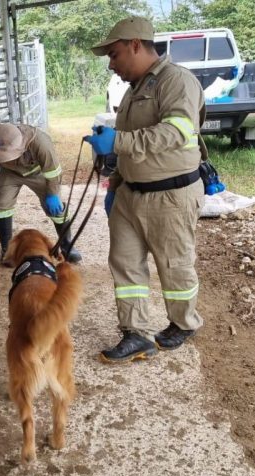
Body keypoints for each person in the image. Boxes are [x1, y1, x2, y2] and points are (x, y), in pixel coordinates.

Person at [85, 16, 206, 363]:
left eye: (115, 54)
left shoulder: (177, 81)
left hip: (170, 194)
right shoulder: (135, 88)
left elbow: (177, 133)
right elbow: (130, 148)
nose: (111, 63)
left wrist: (117, 141)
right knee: (124, 264)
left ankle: (183, 322)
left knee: (174, 264)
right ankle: (135, 333)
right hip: (130, 193)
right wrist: (115, 184)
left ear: (136, 45)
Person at [0, 123, 82, 265]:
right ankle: (7, 251)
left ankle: (67, 246)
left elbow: (53, 171)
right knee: (2, 207)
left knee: (56, 210)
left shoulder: (41, 143)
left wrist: (53, 193)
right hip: (10, 173)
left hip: (38, 173)